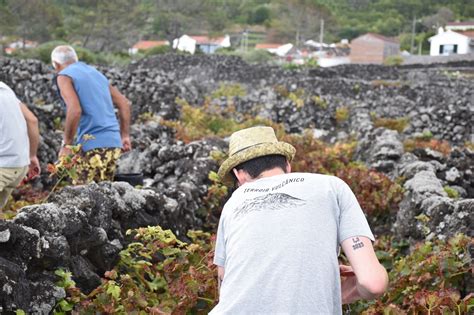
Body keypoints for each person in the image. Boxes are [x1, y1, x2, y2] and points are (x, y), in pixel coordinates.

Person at [211, 126, 388, 314]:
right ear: (287, 165)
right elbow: (373, 283)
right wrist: (341, 291)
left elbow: (227, 288)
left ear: (240, 175)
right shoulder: (331, 187)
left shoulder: (234, 203)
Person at [51, 45, 131, 182]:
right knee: (105, 198)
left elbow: (75, 110)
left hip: (92, 147)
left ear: (56, 64)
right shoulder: (96, 73)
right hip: (113, 145)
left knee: (83, 198)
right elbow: (124, 103)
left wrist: (67, 145)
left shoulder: (64, 76)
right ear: (75, 59)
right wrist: (124, 136)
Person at [0, 81, 40, 211]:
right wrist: (32, 156)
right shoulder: (5, 88)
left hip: (3, 167)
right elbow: (32, 120)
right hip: (19, 166)